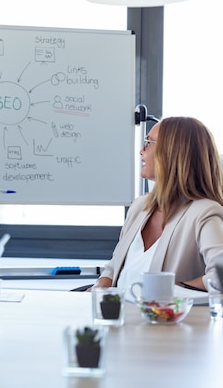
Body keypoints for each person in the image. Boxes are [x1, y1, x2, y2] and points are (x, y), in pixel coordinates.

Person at [93, 116, 223, 292]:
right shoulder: (140, 206)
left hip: (163, 319)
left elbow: (220, 275)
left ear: (171, 153)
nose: (141, 151)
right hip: (118, 317)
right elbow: (114, 267)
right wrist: (98, 289)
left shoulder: (204, 212)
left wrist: (170, 291)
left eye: (148, 143)